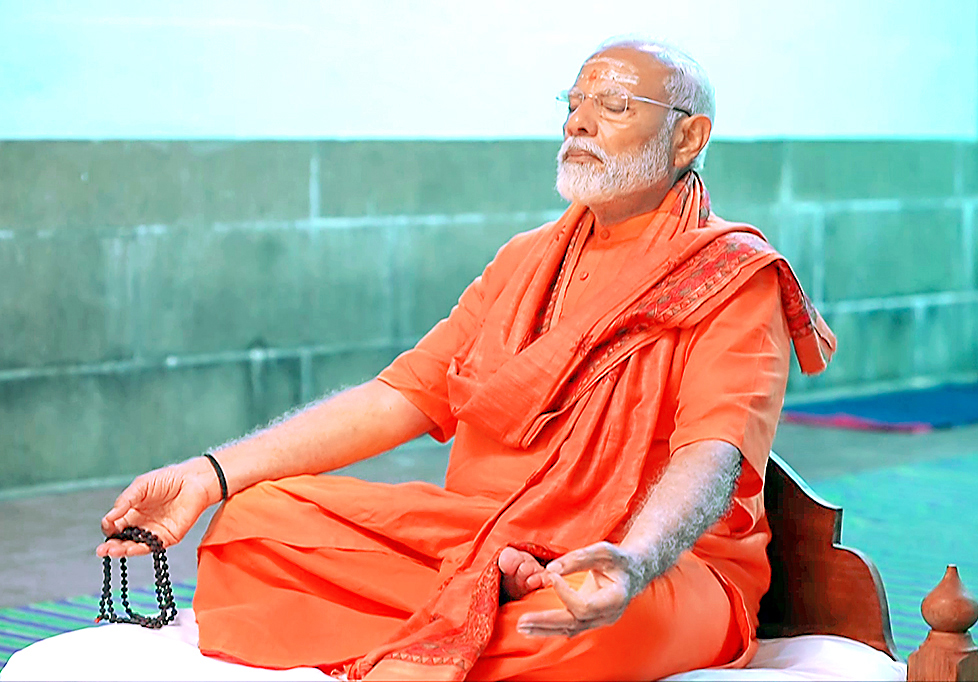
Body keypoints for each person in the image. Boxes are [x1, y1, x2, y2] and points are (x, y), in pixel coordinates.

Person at [97, 38, 835, 681]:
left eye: (613, 105)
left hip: (656, 568)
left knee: (594, 629)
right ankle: (482, 604)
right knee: (257, 521)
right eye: (573, 102)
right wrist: (207, 474)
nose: (578, 121)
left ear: (687, 136)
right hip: (487, 536)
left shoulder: (732, 277)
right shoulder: (525, 260)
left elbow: (712, 454)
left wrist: (632, 562)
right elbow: (400, 397)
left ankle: (463, 625)